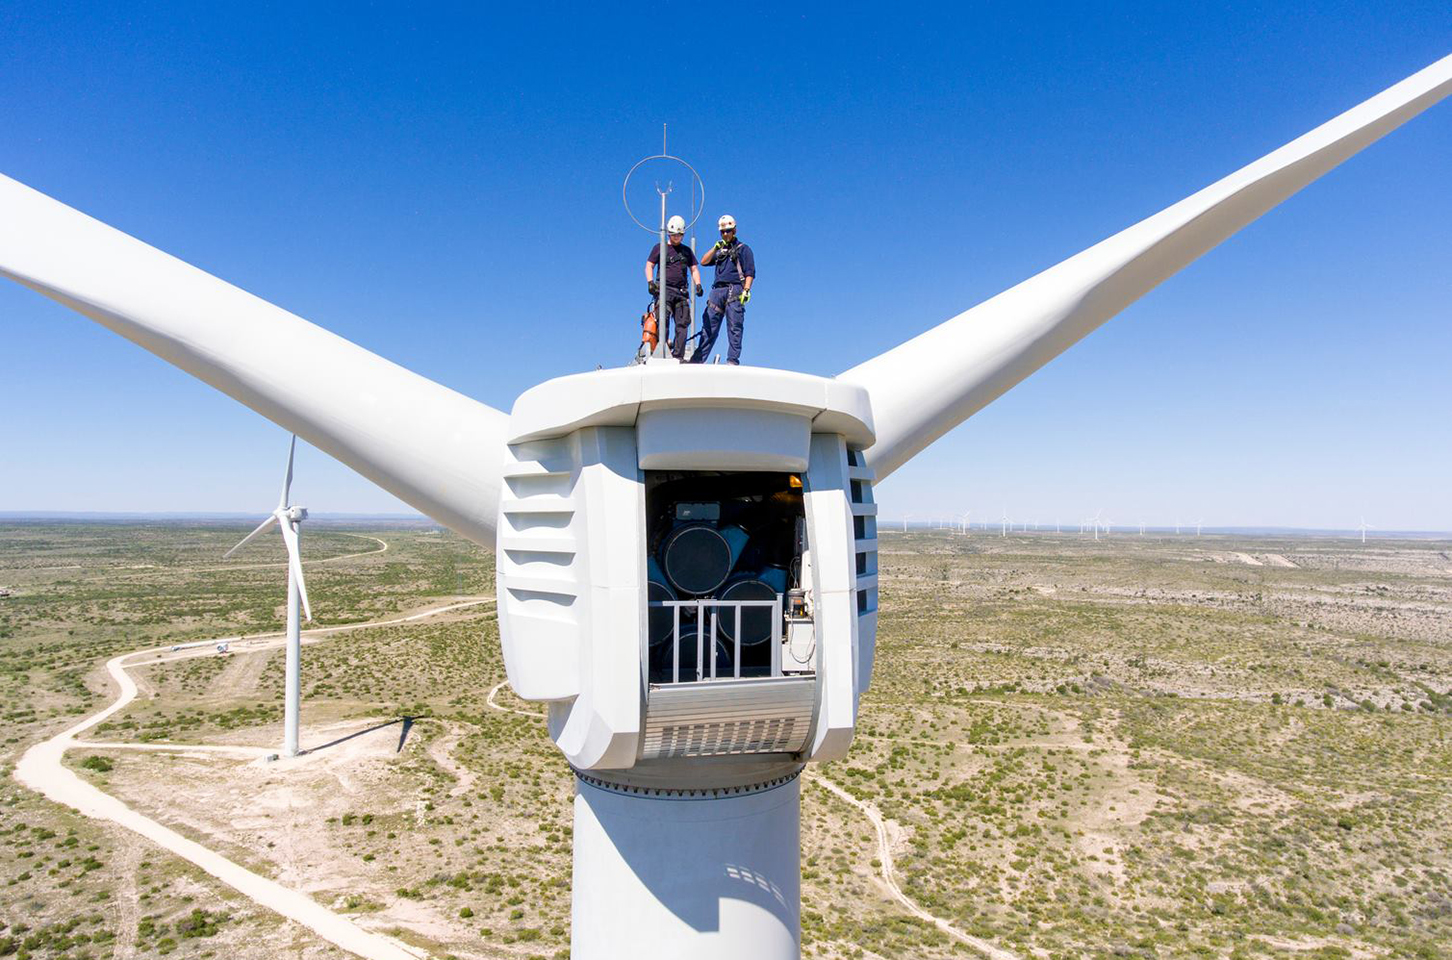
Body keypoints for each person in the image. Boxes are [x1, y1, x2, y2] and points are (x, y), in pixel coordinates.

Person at [692, 214, 755, 365]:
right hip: (717, 292)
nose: (725, 234)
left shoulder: (743, 249)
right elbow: (703, 261)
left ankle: (732, 360)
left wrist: (746, 289)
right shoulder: (720, 251)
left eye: (728, 231)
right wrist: (715, 248)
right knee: (709, 328)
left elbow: (750, 272)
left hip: (735, 290)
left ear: (734, 230)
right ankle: (697, 361)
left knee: (734, 327)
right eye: (723, 231)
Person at [645, 215, 704, 360]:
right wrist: (650, 282)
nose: (676, 237)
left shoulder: (687, 251)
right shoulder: (660, 248)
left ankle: (678, 355)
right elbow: (649, 265)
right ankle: (663, 352)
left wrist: (698, 284)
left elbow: (694, 269)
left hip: (681, 293)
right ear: (669, 233)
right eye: (673, 234)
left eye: (679, 235)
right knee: (662, 321)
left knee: (682, 324)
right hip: (664, 291)